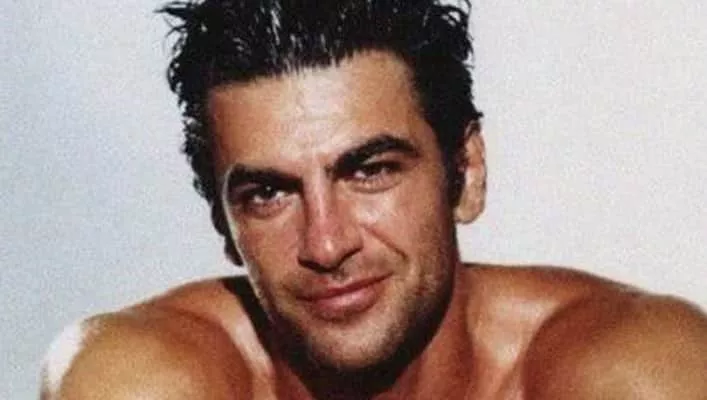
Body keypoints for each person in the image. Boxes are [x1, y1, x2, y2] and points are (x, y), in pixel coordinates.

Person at [41, 0, 707, 398]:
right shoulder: (144, 377)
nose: (327, 243)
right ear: (223, 221)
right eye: (269, 193)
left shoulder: (630, 368)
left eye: (369, 171)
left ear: (466, 172)